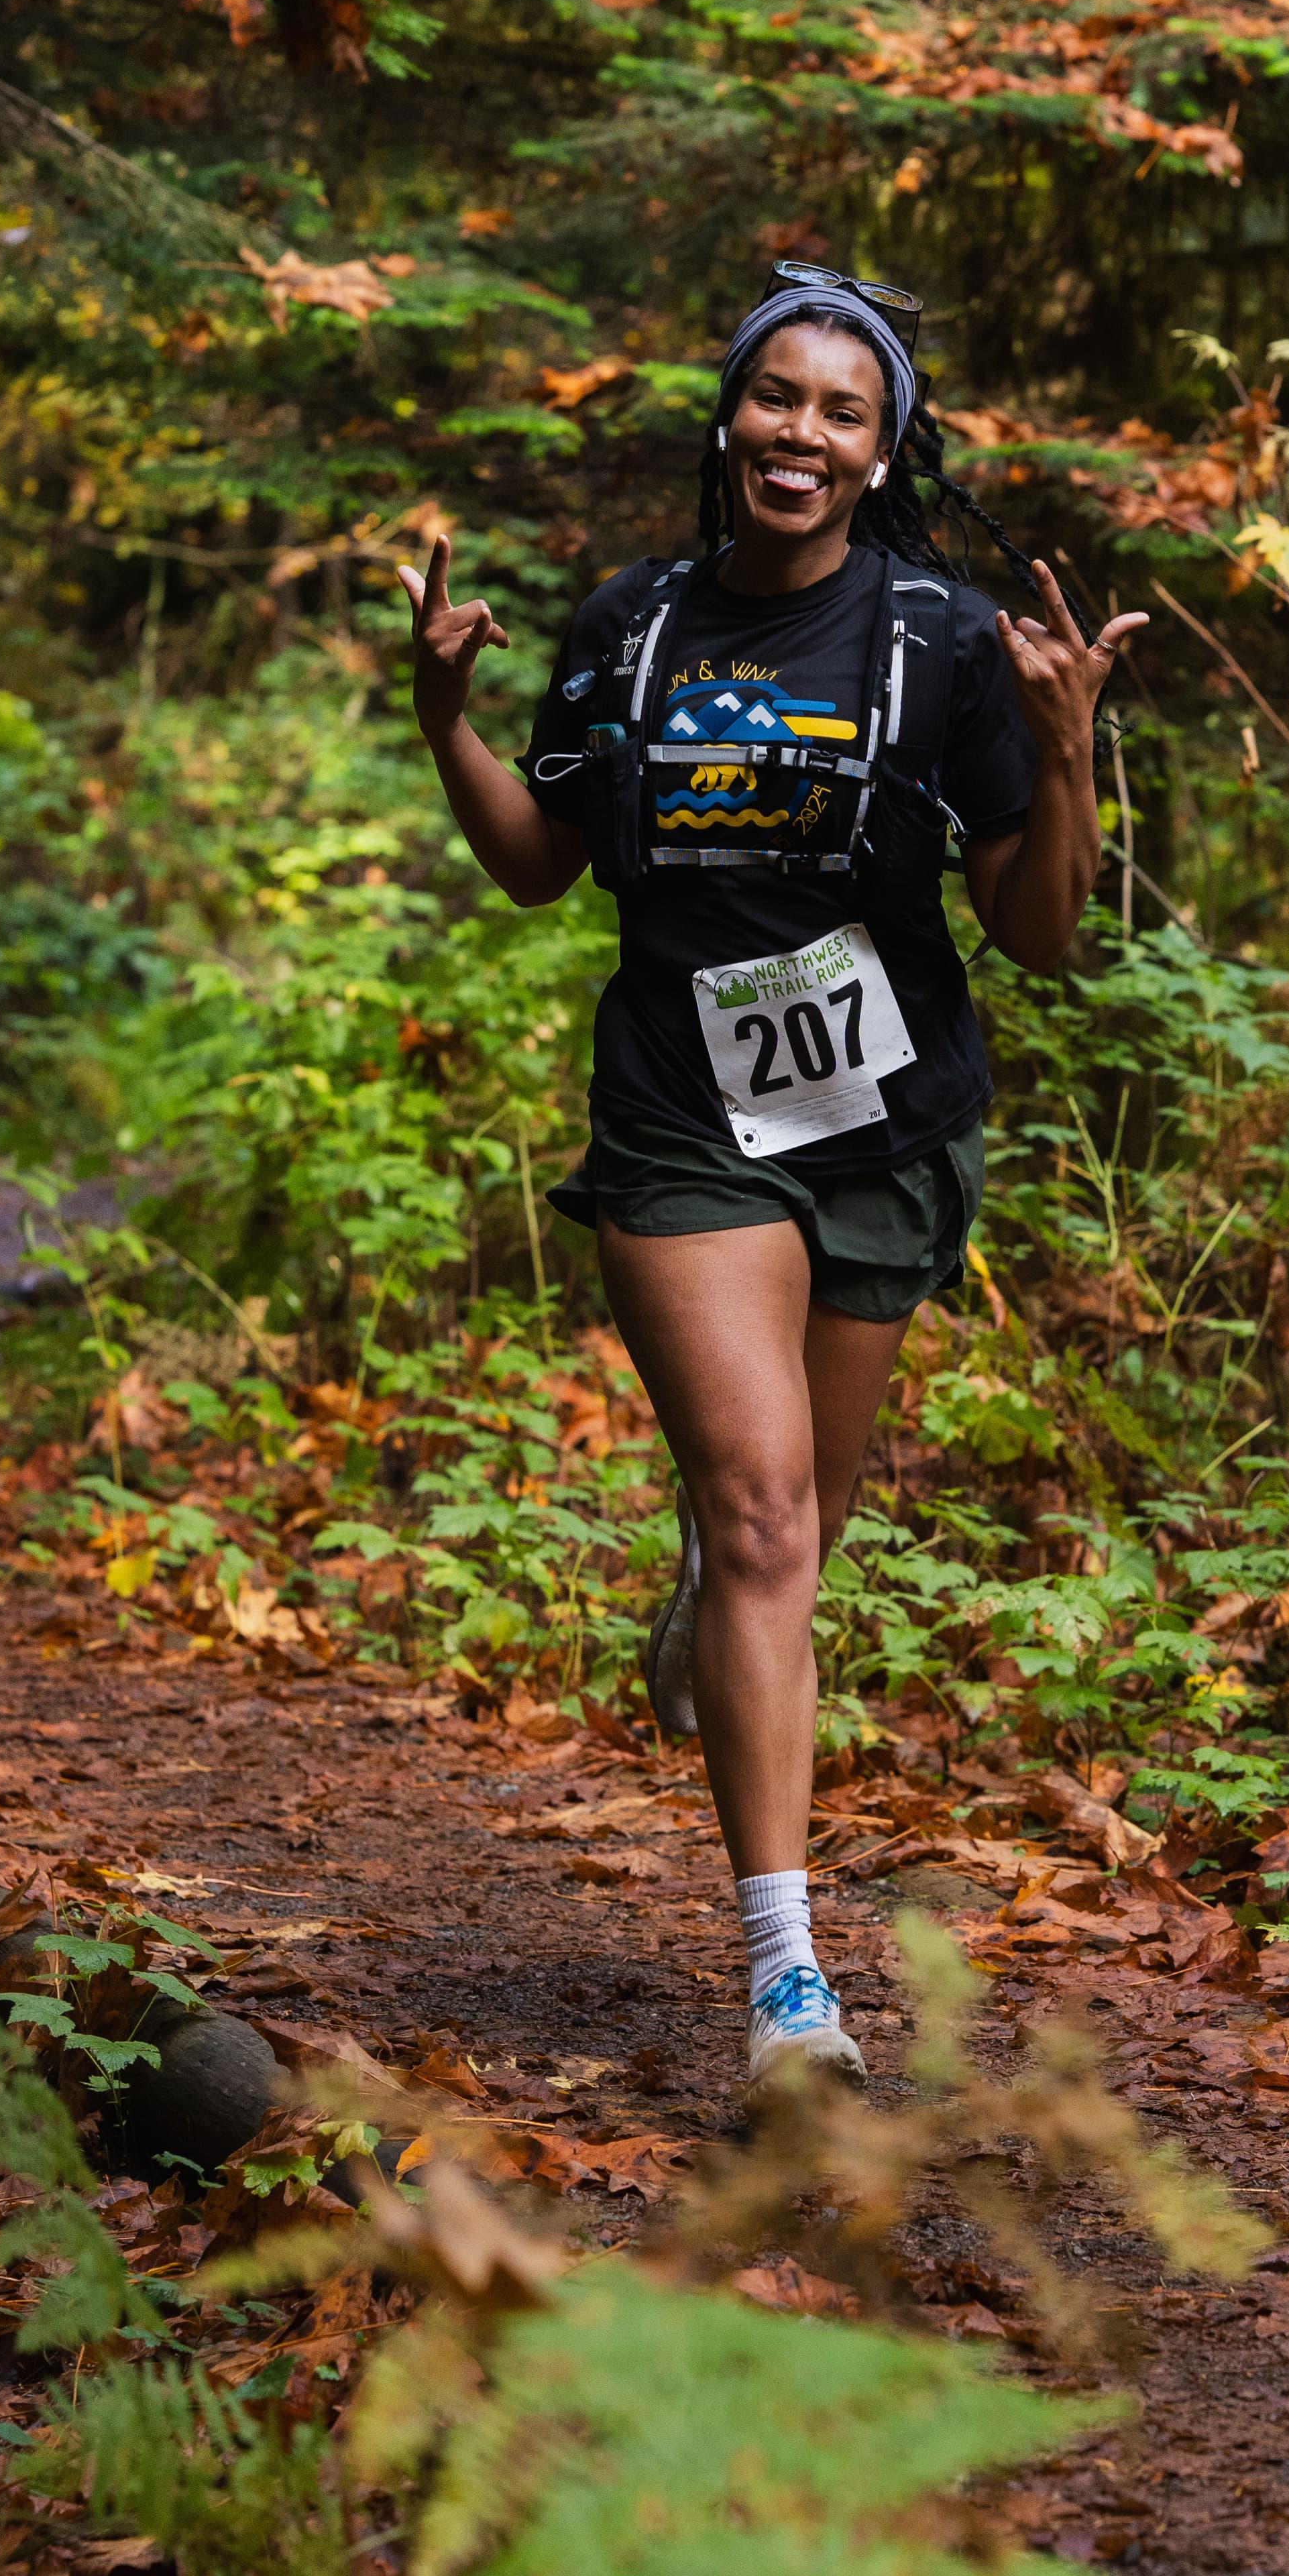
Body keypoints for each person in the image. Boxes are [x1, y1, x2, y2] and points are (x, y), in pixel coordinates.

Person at [399, 266, 1144, 2090]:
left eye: (840, 413)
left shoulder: (944, 644)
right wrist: (445, 721)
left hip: (882, 1124)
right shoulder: (631, 626)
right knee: (758, 1513)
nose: (799, 434)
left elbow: (1040, 937)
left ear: (883, 455)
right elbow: (536, 868)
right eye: (776, 399)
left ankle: (717, 1626)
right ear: (727, 419)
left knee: (800, 1531)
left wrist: (1064, 760)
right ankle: (787, 1978)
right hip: (680, 1109)